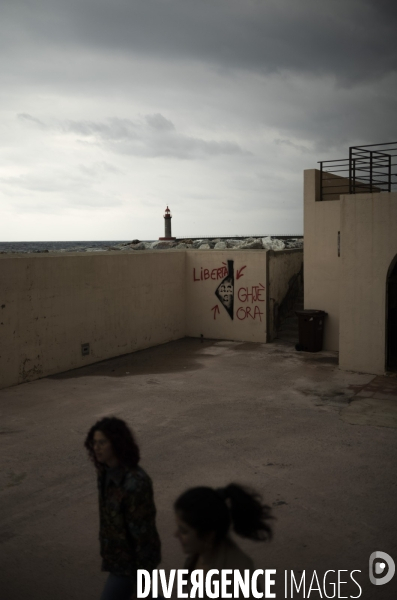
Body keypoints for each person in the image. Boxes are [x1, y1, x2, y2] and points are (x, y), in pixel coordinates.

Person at [84, 417, 161, 600]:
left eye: (102, 442)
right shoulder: (105, 474)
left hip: (131, 563)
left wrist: (142, 570)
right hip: (119, 560)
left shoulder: (135, 482)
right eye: (94, 443)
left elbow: (142, 531)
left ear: (117, 443)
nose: (97, 448)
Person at [174, 484, 273, 579]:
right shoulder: (200, 552)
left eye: (184, 531)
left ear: (208, 535)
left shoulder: (237, 574)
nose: (175, 535)